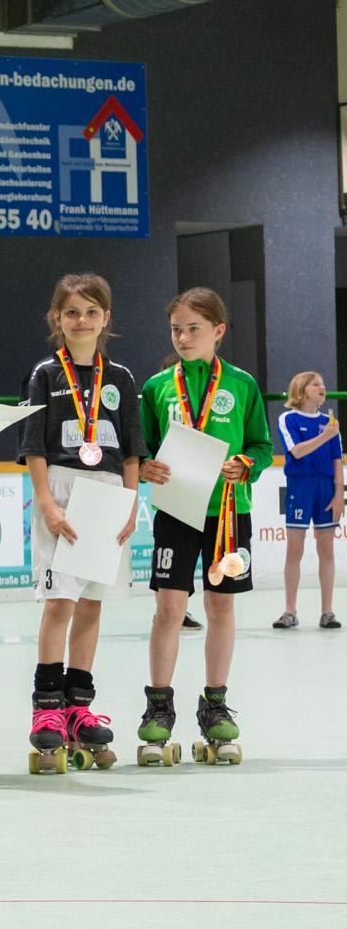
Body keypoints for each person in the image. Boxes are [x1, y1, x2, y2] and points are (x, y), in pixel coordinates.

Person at [135, 289, 273, 765]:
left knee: (220, 605)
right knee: (169, 606)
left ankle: (215, 704)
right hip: (177, 510)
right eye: (176, 329)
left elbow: (260, 446)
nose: (183, 337)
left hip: (228, 512)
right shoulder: (157, 387)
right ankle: (159, 705)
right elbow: (143, 449)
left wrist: (246, 465)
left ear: (218, 330)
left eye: (194, 329)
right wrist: (146, 466)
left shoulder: (242, 384)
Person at [18, 274, 141, 772]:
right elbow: (33, 446)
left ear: (105, 318)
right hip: (63, 492)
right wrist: (47, 503)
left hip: (109, 493)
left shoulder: (122, 378)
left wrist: (131, 503)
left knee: (91, 604)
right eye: (72, 312)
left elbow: (131, 450)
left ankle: (78, 707)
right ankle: (47, 707)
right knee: (59, 603)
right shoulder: (44, 374)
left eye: (92, 312)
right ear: (57, 318)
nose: (82, 320)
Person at [272, 370, 341, 630]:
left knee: (327, 549)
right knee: (294, 549)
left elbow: (337, 460)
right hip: (300, 487)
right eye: (315, 384)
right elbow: (297, 451)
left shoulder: (330, 422)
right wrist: (326, 435)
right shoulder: (288, 418)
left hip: (326, 488)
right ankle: (290, 611)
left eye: (323, 384)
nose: (322, 387)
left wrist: (339, 494)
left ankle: (327, 612)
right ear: (301, 390)